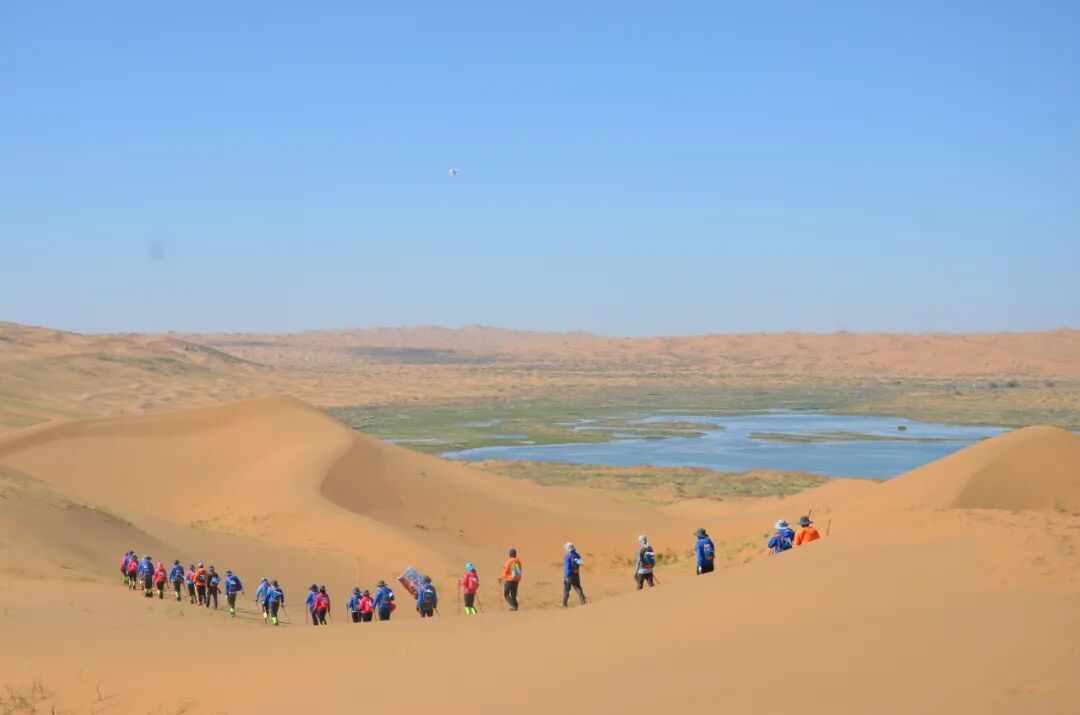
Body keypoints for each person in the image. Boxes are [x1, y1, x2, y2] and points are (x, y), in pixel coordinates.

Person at [562, 542, 587, 607]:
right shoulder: (577, 555)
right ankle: (583, 603)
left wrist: (566, 577)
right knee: (578, 589)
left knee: (566, 591)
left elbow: (567, 568)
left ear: (568, 548)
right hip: (576, 575)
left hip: (569, 576)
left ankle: (564, 605)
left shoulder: (567, 556)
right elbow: (580, 563)